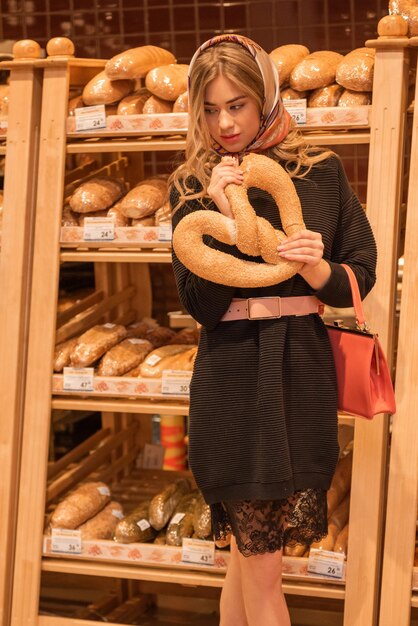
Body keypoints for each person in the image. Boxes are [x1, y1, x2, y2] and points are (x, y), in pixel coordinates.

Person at [169, 34, 377, 626]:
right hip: (231, 380)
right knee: (264, 578)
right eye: (209, 109)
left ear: (265, 95)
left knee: (246, 563)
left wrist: (316, 267)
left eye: (236, 104)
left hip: (302, 377)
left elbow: (360, 275)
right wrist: (230, 217)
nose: (224, 123)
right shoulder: (193, 185)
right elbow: (199, 304)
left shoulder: (320, 173)